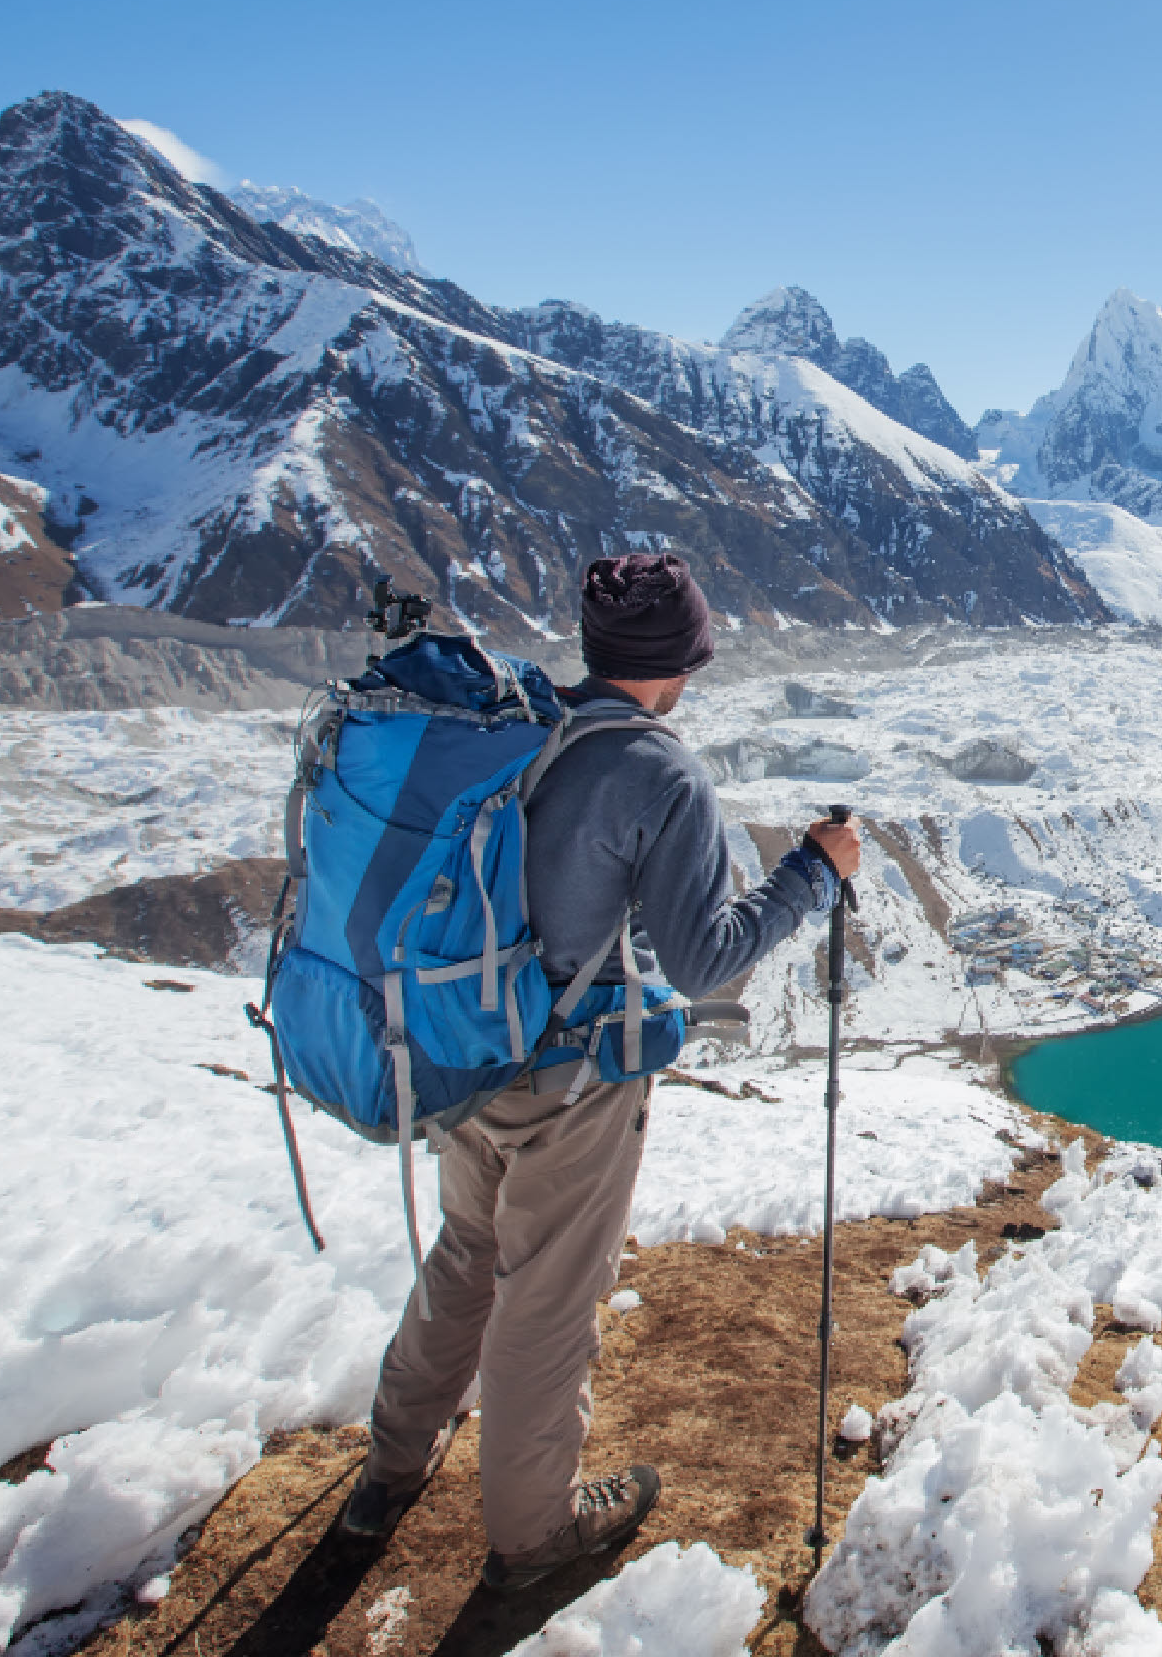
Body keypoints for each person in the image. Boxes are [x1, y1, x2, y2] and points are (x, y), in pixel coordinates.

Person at [332, 553, 861, 1590]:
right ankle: (532, 1536)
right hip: (569, 1087)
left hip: (464, 1050)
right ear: (685, 657)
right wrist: (813, 874)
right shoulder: (656, 771)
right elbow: (705, 956)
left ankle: (387, 1469)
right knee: (546, 1302)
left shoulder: (523, 726)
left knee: (466, 1255)